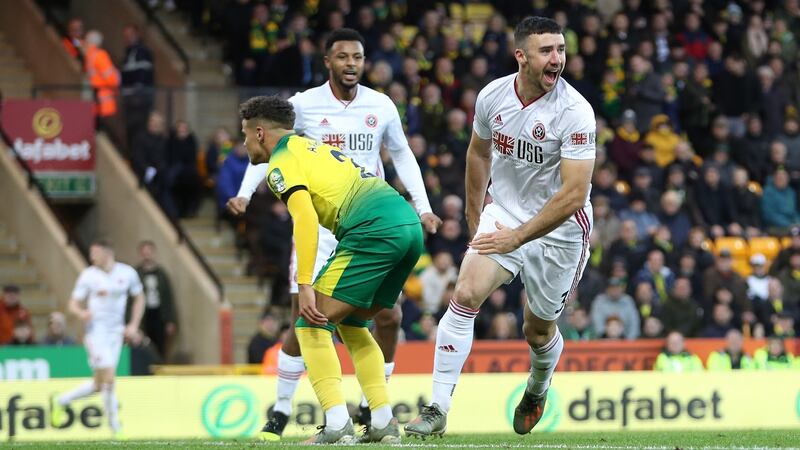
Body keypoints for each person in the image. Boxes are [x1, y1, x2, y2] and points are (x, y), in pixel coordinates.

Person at [226, 29, 441, 439]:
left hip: (368, 231)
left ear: (258, 133)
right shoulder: (313, 146)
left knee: (309, 324)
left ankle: (338, 423)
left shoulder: (281, 165)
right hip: (404, 224)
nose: (243, 144)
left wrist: (304, 284)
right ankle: (381, 421)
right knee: (355, 325)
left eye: (243, 135)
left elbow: (305, 222)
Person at [405, 17, 596, 437]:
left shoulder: (575, 111)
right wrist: (477, 220)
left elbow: (574, 194)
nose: (557, 59)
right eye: (547, 51)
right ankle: (437, 408)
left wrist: (518, 236)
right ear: (521, 56)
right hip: (505, 211)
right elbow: (478, 154)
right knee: (466, 292)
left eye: (561, 50)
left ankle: (538, 385)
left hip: (560, 228)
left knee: (537, 327)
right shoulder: (493, 96)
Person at [50, 239, 145, 438]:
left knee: (99, 384)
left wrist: (134, 324)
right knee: (109, 377)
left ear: (107, 253)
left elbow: (139, 298)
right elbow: (73, 304)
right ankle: (116, 428)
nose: (92, 257)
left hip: (116, 332)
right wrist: (81, 313)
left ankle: (61, 401)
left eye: (95, 252)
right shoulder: (88, 276)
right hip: (96, 332)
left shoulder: (127, 273)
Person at [135, 240, 177, 359]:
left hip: (159, 313)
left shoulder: (161, 274)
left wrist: (171, 320)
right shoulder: (136, 273)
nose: (147, 255)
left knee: (160, 344)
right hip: (143, 314)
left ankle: (159, 369)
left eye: (149, 252)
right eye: (144, 252)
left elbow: (168, 298)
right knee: (143, 345)